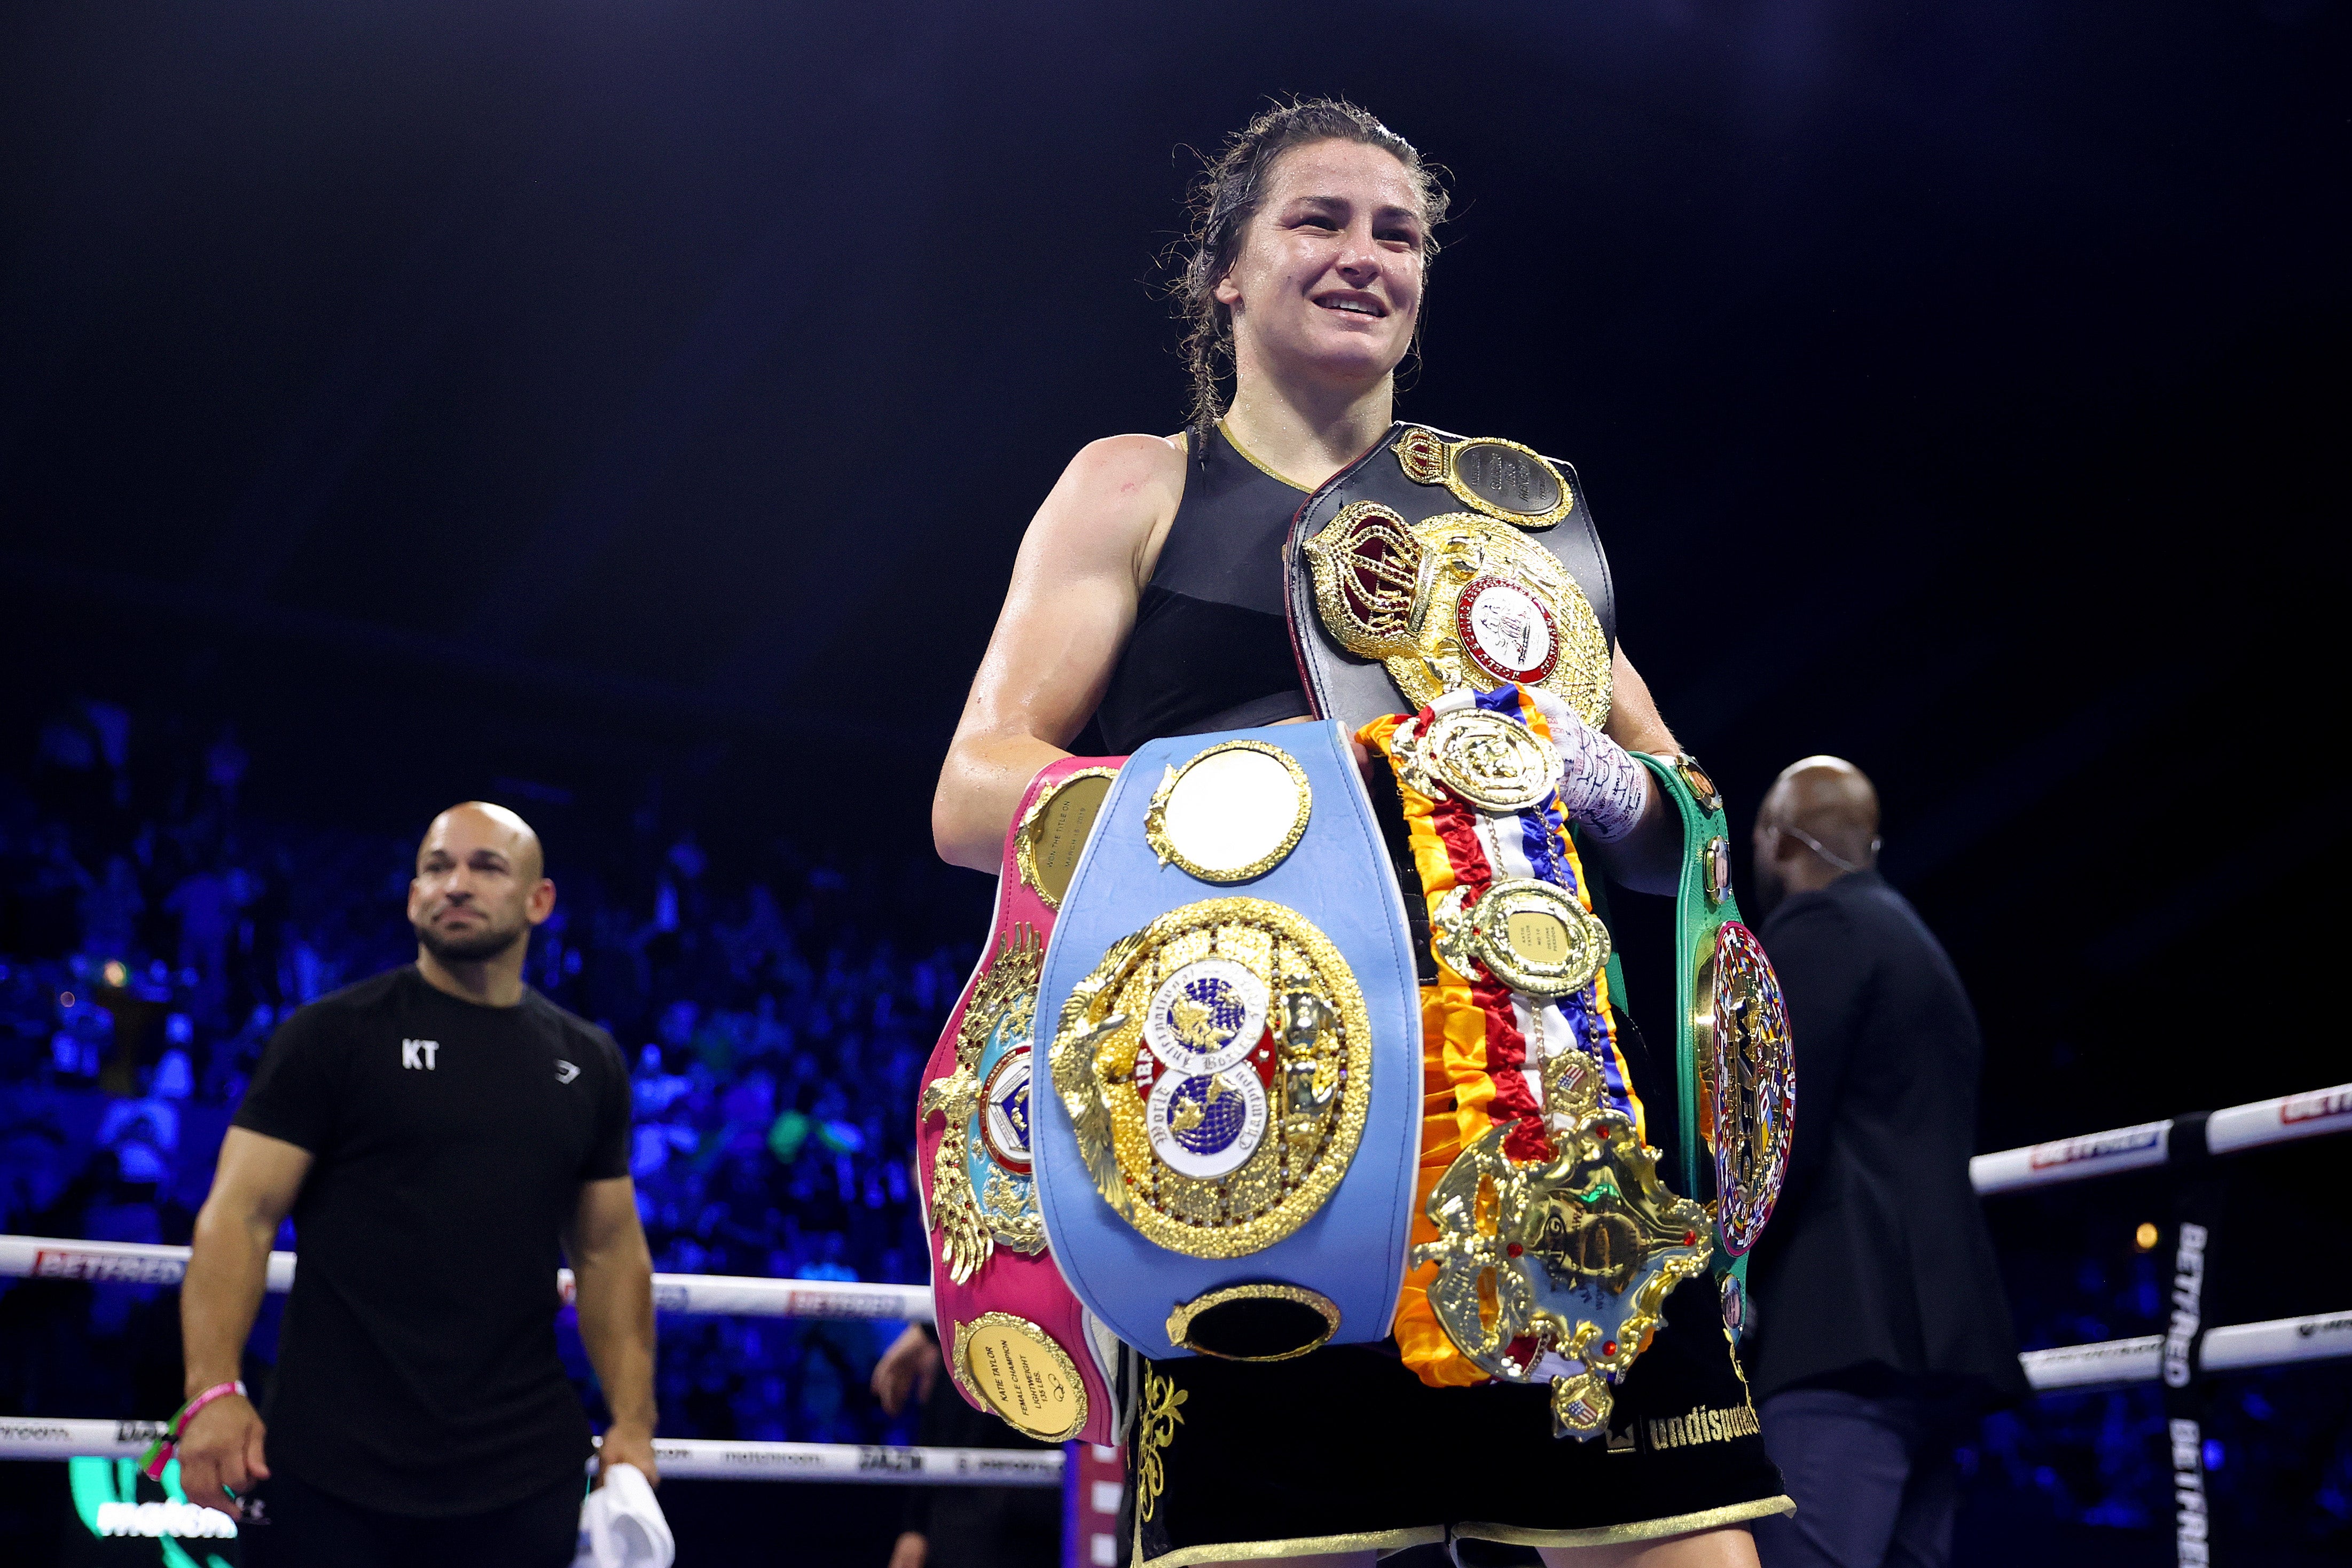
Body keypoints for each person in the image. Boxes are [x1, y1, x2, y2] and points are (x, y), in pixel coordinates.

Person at [934, 98, 1785, 1568]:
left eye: (1396, 232)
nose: (1361, 255)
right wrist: (1281, 796)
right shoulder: (1135, 486)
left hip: (1542, 1129)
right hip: (1244, 1135)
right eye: (1316, 220)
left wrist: (1566, 766)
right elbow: (971, 789)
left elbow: (1687, 823)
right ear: (1227, 271)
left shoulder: (1509, 543)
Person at [170, 801, 657, 1567]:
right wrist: (212, 1392)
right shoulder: (332, 1036)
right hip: (331, 1460)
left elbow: (607, 1251)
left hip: (520, 1468)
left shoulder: (587, 1062)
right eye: (437, 867)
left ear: (540, 901)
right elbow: (240, 1216)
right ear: (411, 896)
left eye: (485, 866)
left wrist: (633, 1422)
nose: (455, 886)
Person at [1742, 758, 2028, 1568]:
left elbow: (1774, 1145)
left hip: (1840, 1337)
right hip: (1935, 1352)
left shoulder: (1817, 931)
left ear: (1775, 839)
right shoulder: (1914, 940)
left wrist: (1714, 1278)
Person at [871, 1322, 1061, 1568]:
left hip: (1035, 1492)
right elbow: (943, 1416)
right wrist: (916, 1526)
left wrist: (930, 1328)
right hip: (969, 1499)